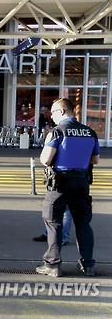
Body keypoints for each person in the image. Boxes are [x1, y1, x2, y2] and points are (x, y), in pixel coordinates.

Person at [36, 98, 99, 278]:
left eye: (53, 113)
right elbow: (95, 159)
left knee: (53, 221)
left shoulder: (57, 132)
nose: (52, 117)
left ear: (62, 112)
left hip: (60, 183)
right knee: (83, 223)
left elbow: (46, 159)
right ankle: (88, 265)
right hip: (81, 182)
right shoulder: (89, 132)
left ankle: (52, 264)